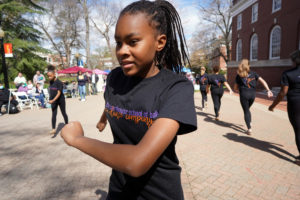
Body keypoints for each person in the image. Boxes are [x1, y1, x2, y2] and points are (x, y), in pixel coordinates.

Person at [60, 1, 197, 199]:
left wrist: (76, 139)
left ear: (160, 42)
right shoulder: (115, 78)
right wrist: (103, 118)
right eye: (118, 42)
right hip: (119, 190)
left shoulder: (176, 88)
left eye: (133, 42)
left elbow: (137, 162)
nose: (122, 51)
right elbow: (116, 101)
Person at [269, 50, 300, 166]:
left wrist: (273, 105)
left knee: (298, 129)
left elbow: (283, 93)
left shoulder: (288, 74)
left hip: (295, 104)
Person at [234, 59, 273, 135]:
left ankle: (249, 128)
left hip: (244, 94)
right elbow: (263, 81)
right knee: (247, 110)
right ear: (249, 65)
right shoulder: (254, 73)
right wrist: (268, 90)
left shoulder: (239, 75)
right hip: (252, 95)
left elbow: (235, 88)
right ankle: (249, 122)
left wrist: (239, 90)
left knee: (246, 111)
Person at [47, 65, 69, 135]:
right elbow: (51, 91)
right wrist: (50, 99)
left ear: (54, 74)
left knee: (63, 113)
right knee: (54, 114)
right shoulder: (50, 82)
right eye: (48, 76)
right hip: (53, 100)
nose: (49, 77)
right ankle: (53, 129)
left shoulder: (59, 82)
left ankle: (67, 125)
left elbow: (59, 93)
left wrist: (53, 100)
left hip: (60, 100)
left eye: (50, 76)